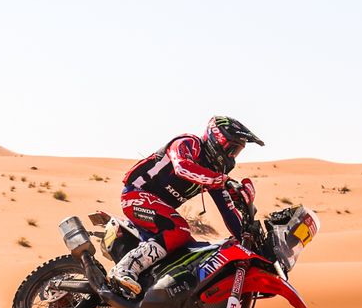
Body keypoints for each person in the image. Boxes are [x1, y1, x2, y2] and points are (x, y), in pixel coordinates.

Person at [107, 116, 264, 297]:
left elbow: (227, 211)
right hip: (135, 195)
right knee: (179, 229)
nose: (232, 156)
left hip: (159, 210)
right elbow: (182, 167)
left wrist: (248, 239)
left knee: (196, 254)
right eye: (232, 149)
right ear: (217, 139)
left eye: (237, 152)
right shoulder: (189, 143)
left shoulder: (215, 173)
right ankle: (123, 270)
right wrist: (224, 181)